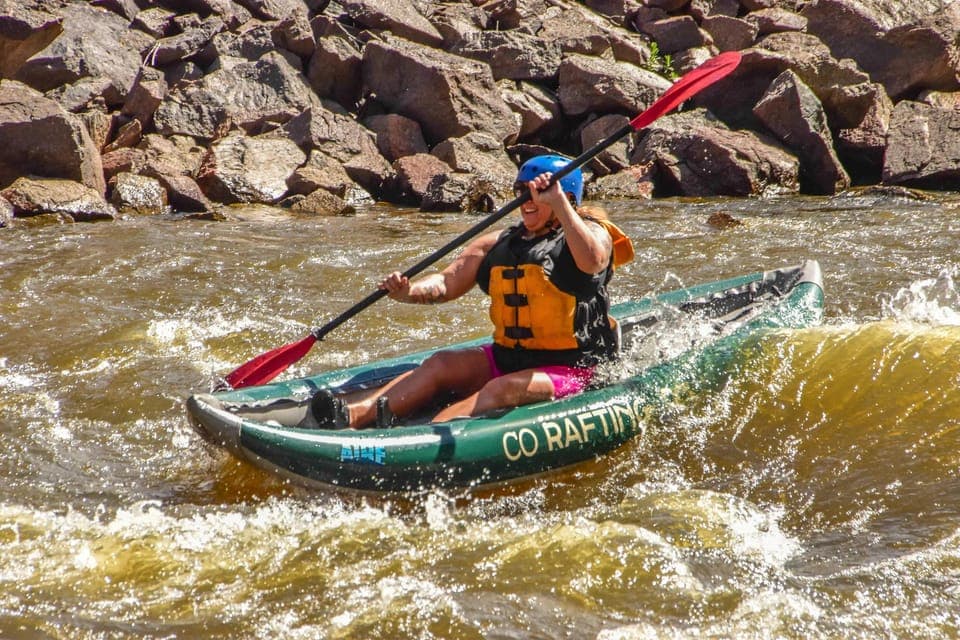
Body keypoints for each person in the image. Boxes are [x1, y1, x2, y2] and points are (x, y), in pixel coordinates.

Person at [313, 154, 635, 429]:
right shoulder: (498, 244)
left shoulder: (590, 233)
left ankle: (429, 434)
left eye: (535, 192)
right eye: (521, 190)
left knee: (502, 389)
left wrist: (560, 206)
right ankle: (353, 416)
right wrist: (407, 291)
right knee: (441, 364)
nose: (526, 199)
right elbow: (446, 282)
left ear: (564, 196)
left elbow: (592, 261)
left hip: (573, 367)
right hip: (507, 358)